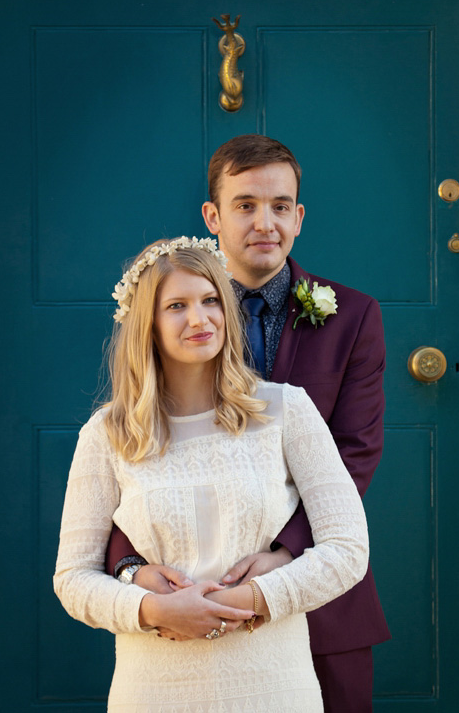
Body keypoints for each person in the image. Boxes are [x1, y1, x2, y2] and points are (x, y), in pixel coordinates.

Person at [105, 135, 389, 712]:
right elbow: (130, 456)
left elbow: (354, 452)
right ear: (212, 216)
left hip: (320, 595)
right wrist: (129, 565)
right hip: (188, 597)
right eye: (245, 205)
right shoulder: (171, 314)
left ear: (299, 217)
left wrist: (287, 552)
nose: (265, 222)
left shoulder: (352, 316)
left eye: (280, 206)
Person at [54, 236, 370, 711]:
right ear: (148, 325)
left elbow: (347, 550)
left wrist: (253, 600)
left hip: (272, 681)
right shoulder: (108, 432)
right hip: (155, 685)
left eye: (210, 301)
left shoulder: (286, 411)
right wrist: (152, 609)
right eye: (176, 306)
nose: (199, 320)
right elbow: (73, 578)